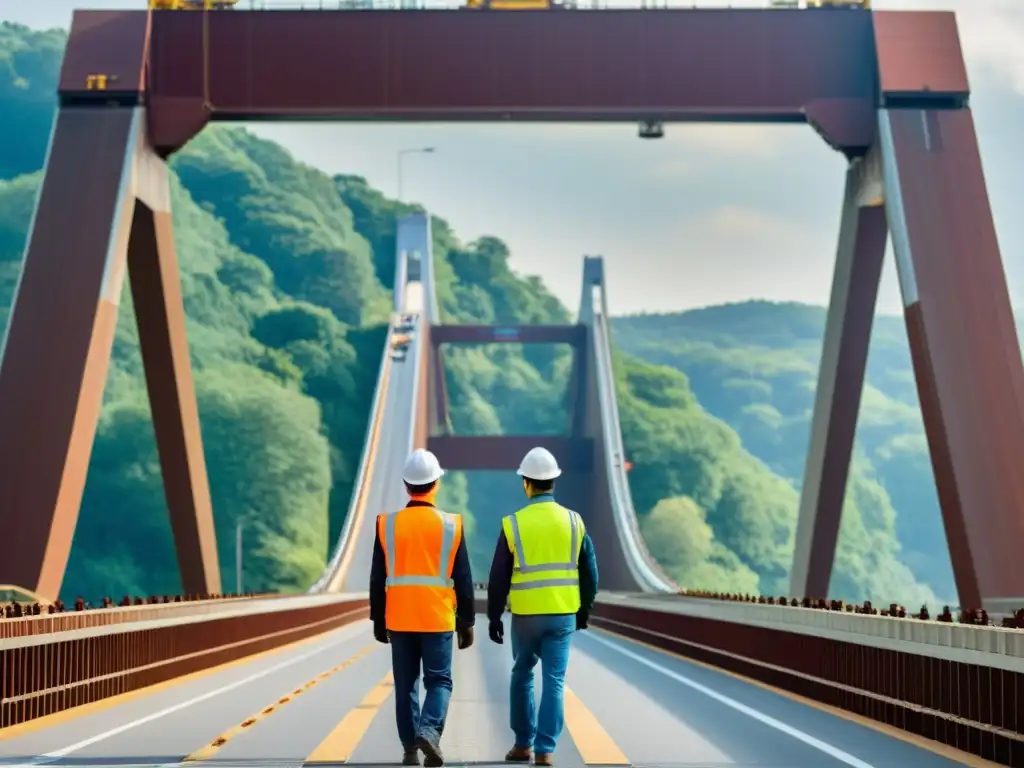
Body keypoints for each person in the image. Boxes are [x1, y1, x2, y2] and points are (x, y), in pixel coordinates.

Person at [486, 447, 599, 767]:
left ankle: (523, 744)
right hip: (562, 614)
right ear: (554, 482)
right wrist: (584, 609)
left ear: (526, 483)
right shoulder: (575, 522)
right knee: (555, 680)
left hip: (525, 616)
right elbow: (590, 571)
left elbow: (498, 578)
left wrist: (494, 616)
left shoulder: (513, 524)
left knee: (522, 674)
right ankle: (545, 750)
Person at [370, 449, 476, 767]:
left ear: (406, 484)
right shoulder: (451, 526)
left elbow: (377, 577)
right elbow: (464, 579)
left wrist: (378, 619)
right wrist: (467, 622)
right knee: (439, 681)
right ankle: (429, 731)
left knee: (405, 686)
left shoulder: (387, 525)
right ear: (437, 483)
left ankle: (409, 750)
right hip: (437, 617)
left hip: (400, 618)